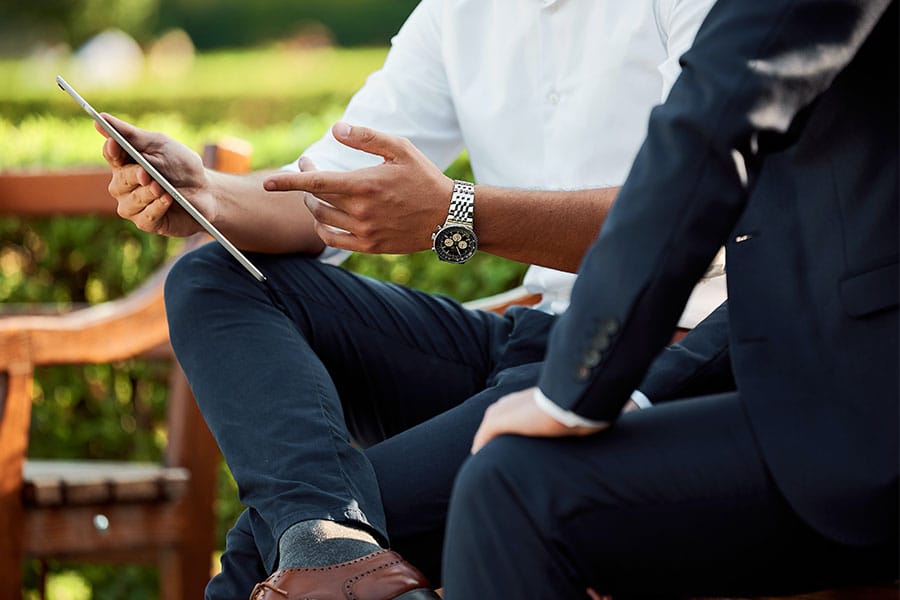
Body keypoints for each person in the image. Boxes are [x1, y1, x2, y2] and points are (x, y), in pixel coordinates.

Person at [96, 1, 721, 597]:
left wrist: (460, 212)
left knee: (267, 556)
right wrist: (205, 194)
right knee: (213, 277)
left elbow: (694, 210)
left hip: (662, 353)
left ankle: (324, 545)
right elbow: (328, 189)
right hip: (531, 336)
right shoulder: (457, 12)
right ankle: (327, 539)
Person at [439, 0, 899, 597]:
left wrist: (573, 390)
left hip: (864, 413)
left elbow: (709, 124)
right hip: (805, 383)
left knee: (514, 489)